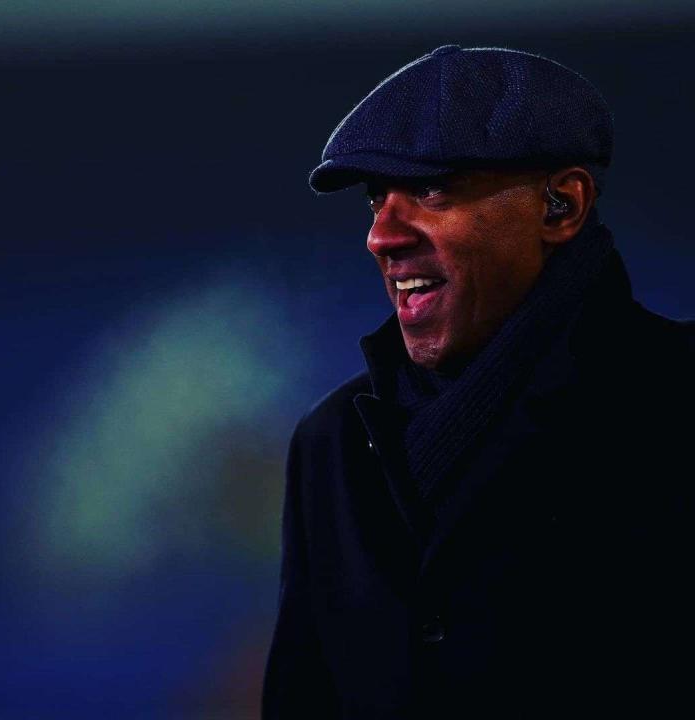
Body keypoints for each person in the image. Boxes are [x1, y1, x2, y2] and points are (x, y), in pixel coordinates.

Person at [262, 45, 695, 719]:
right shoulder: (332, 444)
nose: (381, 236)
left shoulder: (677, 397)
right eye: (376, 199)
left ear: (561, 206)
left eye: (432, 191)